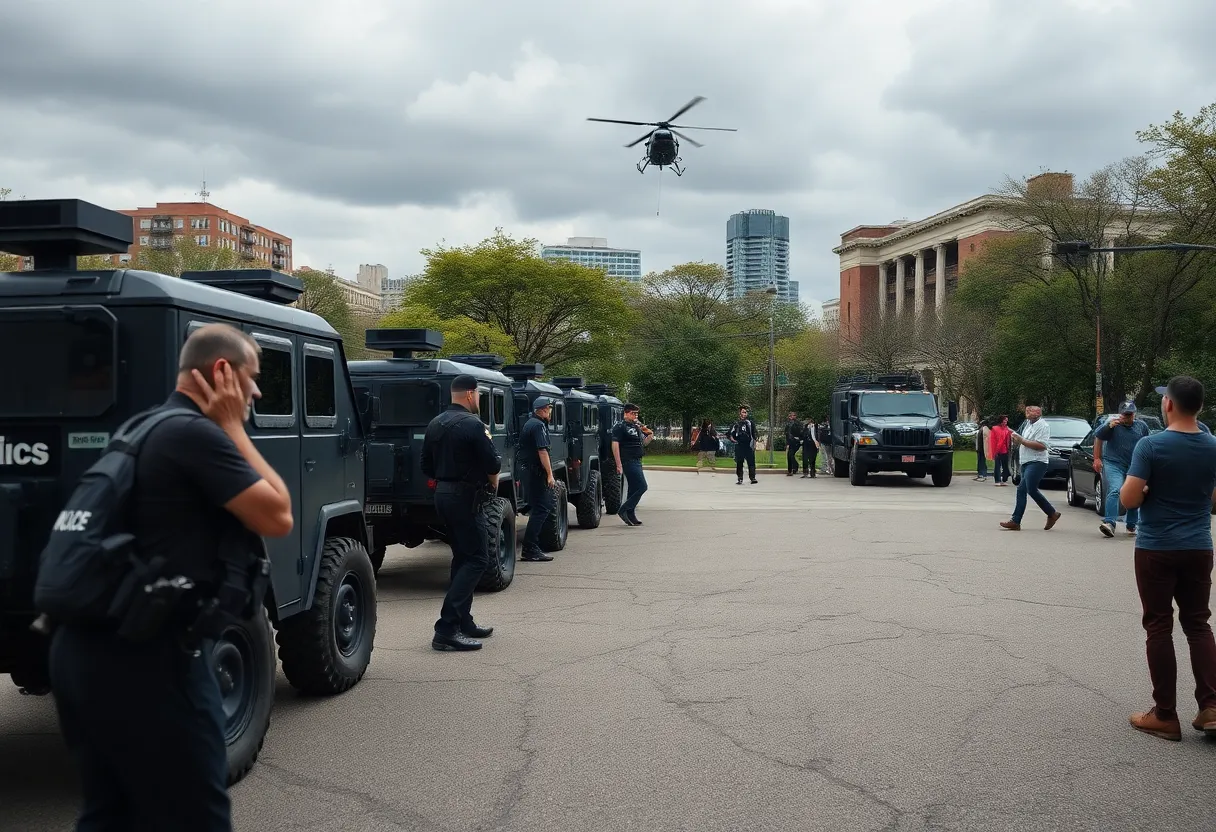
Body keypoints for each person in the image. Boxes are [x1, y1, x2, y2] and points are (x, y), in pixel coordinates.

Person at [48, 323, 294, 832]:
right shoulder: (195, 434)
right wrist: (233, 428)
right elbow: (277, 514)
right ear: (222, 373)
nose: (256, 392)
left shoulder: (141, 427)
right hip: (149, 659)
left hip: (84, 651)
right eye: (251, 378)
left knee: (111, 815)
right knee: (196, 818)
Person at [1119, 376, 1216, 741]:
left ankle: (1165, 715)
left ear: (1169, 405)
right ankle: (1210, 706)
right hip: (1198, 547)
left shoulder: (1150, 445)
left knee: (1159, 626)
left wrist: (1144, 491)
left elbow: (1127, 500)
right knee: (1198, 624)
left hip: (1156, 547)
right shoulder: (1213, 446)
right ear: (1200, 407)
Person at [420, 375, 503, 651]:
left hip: (443, 495)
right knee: (478, 558)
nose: (478, 399)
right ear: (470, 394)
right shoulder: (473, 424)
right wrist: (491, 482)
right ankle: (445, 629)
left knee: (462, 556)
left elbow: (425, 466)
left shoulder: (434, 423)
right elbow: (493, 463)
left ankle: (463, 621)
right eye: (478, 394)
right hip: (467, 497)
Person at [1094, 400, 1151, 539]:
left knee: (1134, 491)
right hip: (1114, 462)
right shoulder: (1112, 425)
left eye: (1130, 414)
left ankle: (1131, 524)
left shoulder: (1141, 426)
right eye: (1125, 414)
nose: (1127, 417)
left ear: (1134, 414)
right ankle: (1110, 523)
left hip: (1134, 464)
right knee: (1115, 489)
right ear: (1120, 414)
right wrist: (1097, 458)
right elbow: (1098, 436)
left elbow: (1149, 444)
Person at [999, 405, 1061, 531]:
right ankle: (1051, 514)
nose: (1027, 411)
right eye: (1027, 409)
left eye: (1031, 410)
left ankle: (1017, 520)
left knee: (1026, 489)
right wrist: (1013, 434)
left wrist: (1021, 440)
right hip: (1026, 461)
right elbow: (1020, 435)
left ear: (1039, 413)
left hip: (1037, 462)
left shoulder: (1043, 426)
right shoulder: (1027, 423)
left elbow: (1042, 445)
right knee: (1028, 490)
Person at [517, 396, 557, 563]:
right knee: (542, 508)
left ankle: (532, 546)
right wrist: (550, 474)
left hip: (528, 471)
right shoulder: (538, 425)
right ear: (541, 410)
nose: (550, 411)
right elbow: (542, 451)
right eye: (548, 408)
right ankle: (530, 548)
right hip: (535, 472)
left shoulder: (531, 423)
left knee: (538, 507)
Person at [612, 403, 652, 525]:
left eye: (636, 414)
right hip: (628, 460)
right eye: (632, 413)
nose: (635, 416)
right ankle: (623, 509)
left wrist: (650, 435)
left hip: (637, 460)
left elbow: (643, 443)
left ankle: (630, 514)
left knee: (633, 489)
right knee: (642, 486)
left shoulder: (636, 426)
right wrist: (618, 464)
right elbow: (615, 445)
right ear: (625, 413)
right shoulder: (620, 426)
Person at [729, 406, 759, 485]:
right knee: (739, 462)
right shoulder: (736, 424)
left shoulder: (750, 423)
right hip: (739, 445)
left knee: (751, 462)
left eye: (745, 412)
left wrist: (754, 444)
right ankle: (740, 478)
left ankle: (752, 478)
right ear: (739, 414)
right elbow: (730, 433)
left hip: (748, 445)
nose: (744, 414)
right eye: (743, 412)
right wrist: (733, 440)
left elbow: (754, 434)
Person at [989, 415, 1012, 486]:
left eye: (1006, 420)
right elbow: (992, 440)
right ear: (1001, 420)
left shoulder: (1007, 429)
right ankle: (997, 480)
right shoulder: (995, 429)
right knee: (997, 466)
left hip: (1005, 450)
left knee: (1005, 466)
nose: (1006, 422)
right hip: (998, 450)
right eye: (1005, 420)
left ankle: (1004, 480)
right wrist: (994, 451)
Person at [784, 411, 803, 476]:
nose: (793, 417)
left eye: (794, 415)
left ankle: (794, 468)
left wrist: (799, 439)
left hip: (796, 441)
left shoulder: (798, 423)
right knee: (789, 455)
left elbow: (800, 432)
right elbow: (786, 434)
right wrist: (787, 443)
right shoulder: (788, 424)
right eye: (791, 415)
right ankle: (791, 469)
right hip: (790, 442)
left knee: (791, 454)